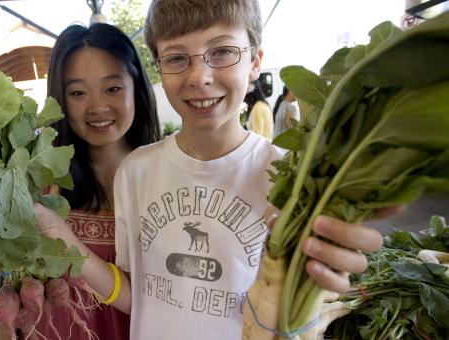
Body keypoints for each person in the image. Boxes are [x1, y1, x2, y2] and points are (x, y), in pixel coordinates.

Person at [34, 1, 386, 338]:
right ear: (158, 68)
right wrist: (57, 234)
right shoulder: (136, 171)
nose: (199, 76)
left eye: (221, 52)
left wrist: (329, 273)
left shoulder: (292, 176)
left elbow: (307, 301)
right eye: (176, 57)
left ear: (255, 62)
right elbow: (136, 298)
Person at [30, 23, 160, 340]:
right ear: (59, 100)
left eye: (112, 88)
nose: (97, 106)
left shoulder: (168, 179)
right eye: (77, 93)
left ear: (137, 89)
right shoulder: (43, 186)